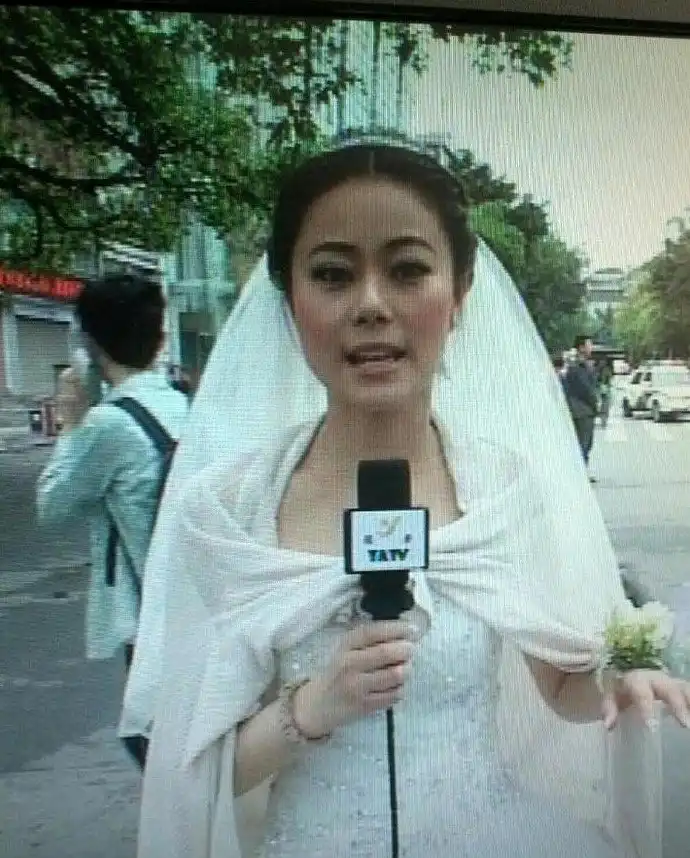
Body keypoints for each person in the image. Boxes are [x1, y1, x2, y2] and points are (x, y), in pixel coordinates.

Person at [124, 143, 690, 858]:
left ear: (458, 296)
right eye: (333, 275)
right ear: (289, 300)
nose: (371, 305)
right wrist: (314, 706)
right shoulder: (229, 511)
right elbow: (192, 770)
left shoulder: (503, 490)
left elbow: (559, 681)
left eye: (407, 270)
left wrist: (619, 678)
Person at [36, 274, 188, 720]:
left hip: (149, 619)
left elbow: (51, 505)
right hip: (193, 603)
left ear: (89, 345)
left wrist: (70, 422)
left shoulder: (107, 424)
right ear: (160, 339)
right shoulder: (184, 404)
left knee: (152, 740)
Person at [563, 335, 599, 477]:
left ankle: (581, 472)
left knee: (584, 444)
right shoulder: (577, 366)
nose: (591, 348)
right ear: (581, 347)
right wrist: (594, 404)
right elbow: (585, 389)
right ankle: (580, 475)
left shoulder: (581, 365)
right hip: (582, 410)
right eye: (589, 345)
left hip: (581, 409)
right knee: (583, 444)